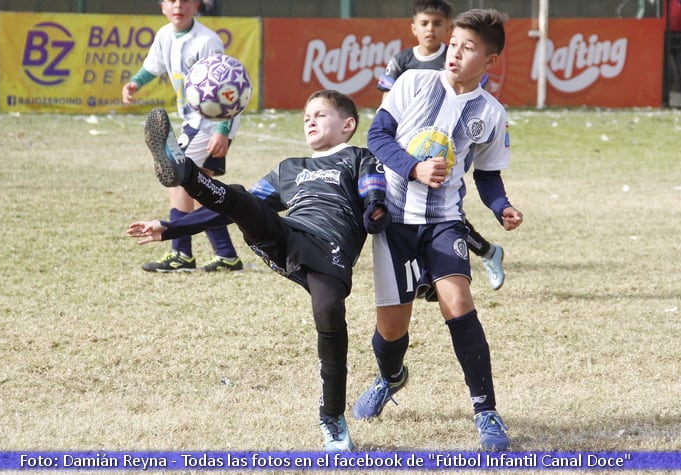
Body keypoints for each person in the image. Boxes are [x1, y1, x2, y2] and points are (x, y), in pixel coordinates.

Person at [127, 90, 390, 451]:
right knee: (240, 197)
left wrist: (375, 209)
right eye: (306, 117)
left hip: (330, 248)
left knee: (329, 313)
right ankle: (184, 170)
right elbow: (234, 207)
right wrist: (172, 227)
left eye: (320, 115)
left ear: (348, 125)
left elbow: (374, 191)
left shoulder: (359, 157)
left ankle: (331, 416)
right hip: (286, 235)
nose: (310, 121)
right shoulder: (289, 168)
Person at [352, 9, 523, 451]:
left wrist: (502, 206)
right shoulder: (413, 83)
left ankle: (486, 411)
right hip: (393, 220)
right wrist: (413, 168)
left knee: (459, 303)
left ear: (490, 61)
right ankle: (391, 377)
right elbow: (377, 136)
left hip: (444, 222)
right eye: (454, 45)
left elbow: (486, 174)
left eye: (468, 49)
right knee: (391, 328)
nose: (455, 54)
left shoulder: (491, 113)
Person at [378, 0, 506, 291]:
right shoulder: (406, 69)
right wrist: (410, 162)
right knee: (392, 322)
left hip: (443, 191)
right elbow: (381, 126)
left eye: (437, 24)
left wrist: (502, 206)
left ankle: (439, 271)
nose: (431, 30)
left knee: (447, 219)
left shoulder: (485, 105)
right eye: (424, 23)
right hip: (398, 192)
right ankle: (437, 269)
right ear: (413, 28)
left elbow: (486, 170)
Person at [122, 0, 242, 273]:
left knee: (177, 177)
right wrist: (135, 83)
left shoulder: (207, 41)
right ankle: (226, 256)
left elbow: (225, 87)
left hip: (213, 121)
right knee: (201, 188)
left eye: (186, 0)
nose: (179, 5)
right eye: (172, 0)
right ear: (162, 6)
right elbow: (152, 67)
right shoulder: (165, 35)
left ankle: (181, 253)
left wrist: (222, 130)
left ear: (197, 6)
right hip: (195, 120)